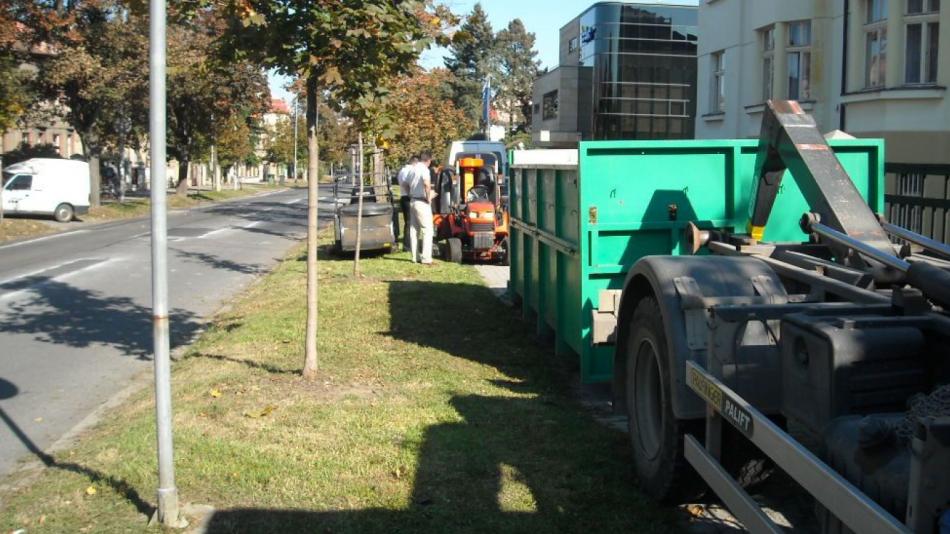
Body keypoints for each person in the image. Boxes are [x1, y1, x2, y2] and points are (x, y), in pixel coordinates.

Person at [408, 152, 435, 265]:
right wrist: (429, 197)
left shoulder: (413, 169)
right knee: (427, 230)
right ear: (428, 160)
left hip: (413, 200)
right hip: (421, 202)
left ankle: (415, 257)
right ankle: (426, 258)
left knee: (414, 230)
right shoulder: (424, 169)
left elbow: (407, 183)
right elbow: (426, 183)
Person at [396, 156, 419, 251]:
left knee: (408, 222)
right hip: (408, 197)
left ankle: (408, 244)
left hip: (404, 196)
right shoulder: (409, 171)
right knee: (410, 222)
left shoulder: (402, 171)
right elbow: (406, 184)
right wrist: (411, 194)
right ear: (415, 163)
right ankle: (408, 245)